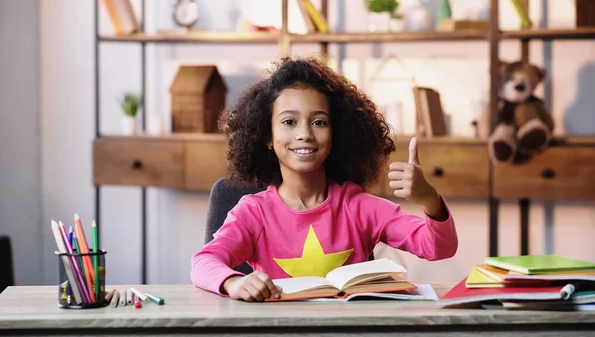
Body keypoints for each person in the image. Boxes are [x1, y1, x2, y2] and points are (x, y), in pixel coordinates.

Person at [191, 56, 458, 302]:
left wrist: (429, 199)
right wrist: (234, 282)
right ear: (268, 137)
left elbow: (438, 248)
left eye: (319, 122)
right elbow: (203, 263)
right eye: (289, 122)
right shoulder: (254, 212)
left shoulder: (359, 206)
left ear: (336, 134)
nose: (305, 134)